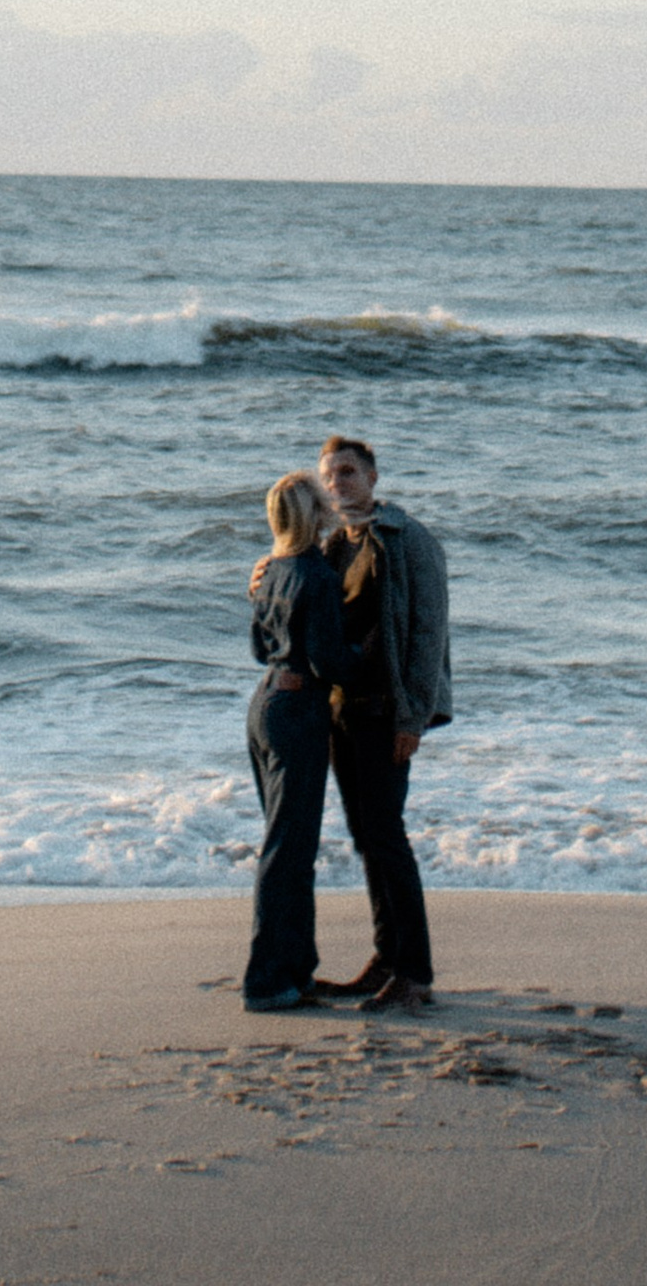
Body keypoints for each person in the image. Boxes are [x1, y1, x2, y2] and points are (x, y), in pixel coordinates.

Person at [310, 431, 448, 1008]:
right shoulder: (333, 545)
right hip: (343, 709)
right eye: (329, 474)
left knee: (388, 836)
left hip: (387, 711)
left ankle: (415, 973)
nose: (338, 482)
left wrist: (412, 717)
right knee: (367, 837)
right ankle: (385, 959)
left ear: (373, 477)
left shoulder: (408, 539)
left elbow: (428, 634)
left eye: (348, 471)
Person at [241, 469, 347, 1011]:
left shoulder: (270, 571)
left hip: (263, 706)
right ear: (317, 516)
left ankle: (297, 969)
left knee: (289, 842)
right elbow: (331, 660)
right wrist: (371, 656)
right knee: (288, 849)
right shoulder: (318, 577)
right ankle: (266, 979)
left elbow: (260, 651)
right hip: (300, 710)